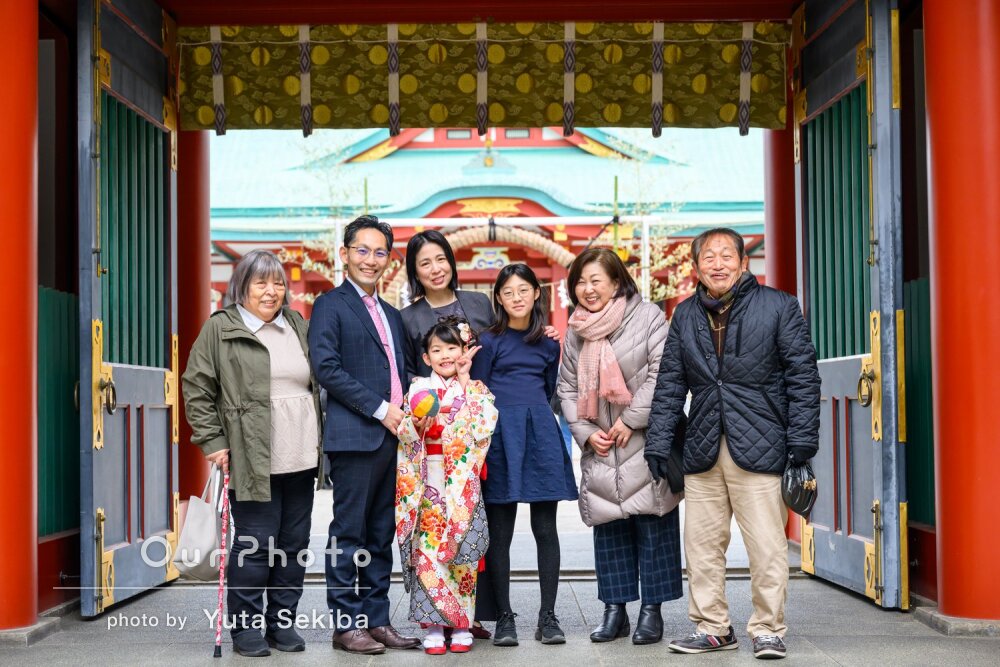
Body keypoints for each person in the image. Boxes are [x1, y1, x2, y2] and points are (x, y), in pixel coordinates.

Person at [644, 228, 820, 660]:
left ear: (744, 262)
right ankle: (712, 628)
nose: (718, 263)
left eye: (727, 255)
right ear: (696, 267)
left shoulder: (779, 306)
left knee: (766, 546)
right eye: (709, 256)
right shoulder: (685, 315)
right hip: (703, 446)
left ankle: (768, 629)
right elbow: (670, 383)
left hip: (762, 443)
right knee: (702, 545)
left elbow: (803, 377)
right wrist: (659, 443)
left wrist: (801, 441)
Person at [182, 249, 321, 657]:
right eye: (261, 282)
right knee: (255, 543)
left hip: (302, 453)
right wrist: (212, 441)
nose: (271, 291)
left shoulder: (296, 324)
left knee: (293, 544)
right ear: (241, 286)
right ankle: (245, 628)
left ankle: (282, 623)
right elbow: (196, 388)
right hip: (251, 454)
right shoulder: (220, 328)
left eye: (278, 283)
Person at [558, 248, 683, 646]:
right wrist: (585, 432)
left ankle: (652, 610)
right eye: (580, 282)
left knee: (654, 523)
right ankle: (614, 610)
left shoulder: (648, 317)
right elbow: (566, 388)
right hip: (600, 442)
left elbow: (664, 373)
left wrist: (631, 420)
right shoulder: (576, 329)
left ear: (616, 281)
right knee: (609, 527)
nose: (588, 289)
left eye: (596, 280)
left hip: (645, 440)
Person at [308, 215, 420, 654]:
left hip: (394, 439)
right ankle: (345, 624)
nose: (371, 259)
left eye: (379, 252)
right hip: (356, 436)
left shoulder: (391, 314)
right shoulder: (330, 305)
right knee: (348, 534)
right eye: (362, 250)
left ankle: (377, 619)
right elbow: (327, 369)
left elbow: (402, 371)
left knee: (380, 534)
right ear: (344, 254)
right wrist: (381, 409)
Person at [471, 263, 579, 648]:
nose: (516, 298)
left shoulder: (549, 343)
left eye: (523, 290)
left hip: (540, 435)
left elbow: (549, 389)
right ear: (498, 299)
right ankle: (504, 617)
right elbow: (479, 390)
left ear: (536, 293)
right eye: (508, 292)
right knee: (500, 533)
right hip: (501, 436)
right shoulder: (488, 341)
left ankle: (548, 617)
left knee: (546, 529)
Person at [395, 318, 499, 655]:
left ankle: (462, 624)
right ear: (426, 357)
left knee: (460, 555)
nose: (445, 355)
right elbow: (404, 433)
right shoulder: (417, 389)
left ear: (464, 351)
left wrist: (466, 381)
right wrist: (416, 425)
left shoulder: (476, 388)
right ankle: (434, 627)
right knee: (427, 555)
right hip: (427, 483)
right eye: (436, 350)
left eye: (452, 348)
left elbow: (484, 427)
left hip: (460, 484)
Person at [401, 230, 495, 380]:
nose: (436, 269)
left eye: (441, 259)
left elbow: (500, 349)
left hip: (487, 392)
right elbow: (406, 371)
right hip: (435, 394)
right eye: (425, 264)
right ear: (416, 273)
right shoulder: (406, 318)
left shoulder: (480, 302)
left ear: (450, 261)